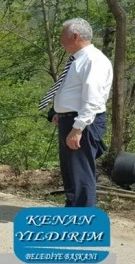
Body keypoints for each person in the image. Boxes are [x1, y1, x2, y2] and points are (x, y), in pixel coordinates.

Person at [39, 18, 113, 207]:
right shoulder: (77, 60)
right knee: (71, 173)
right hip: (71, 119)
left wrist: (78, 127)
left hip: (83, 122)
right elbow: (73, 92)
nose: (60, 41)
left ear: (75, 36)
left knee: (81, 174)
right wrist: (59, 112)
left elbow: (93, 98)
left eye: (62, 36)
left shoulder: (93, 60)